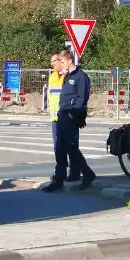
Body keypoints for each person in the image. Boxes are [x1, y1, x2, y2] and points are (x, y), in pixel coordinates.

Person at [43, 49, 95, 192]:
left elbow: (82, 98)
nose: (61, 64)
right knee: (60, 147)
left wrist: (75, 113)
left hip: (71, 116)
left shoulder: (80, 76)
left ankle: (87, 174)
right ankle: (60, 179)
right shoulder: (66, 76)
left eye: (63, 61)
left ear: (70, 61)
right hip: (62, 115)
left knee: (71, 148)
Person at [45, 51, 81, 182]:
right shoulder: (53, 76)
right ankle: (60, 173)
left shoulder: (68, 77)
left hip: (68, 116)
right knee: (58, 147)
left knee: (71, 145)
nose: (53, 64)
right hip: (56, 117)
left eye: (55, 61)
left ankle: (75, 172)